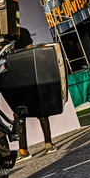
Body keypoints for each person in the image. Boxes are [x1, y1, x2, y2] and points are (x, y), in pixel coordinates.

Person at [14, 28, 57, 162]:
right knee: (18, 113)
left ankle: (48, 143)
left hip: (29, 76)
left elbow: (30, 50)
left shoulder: (23, 32)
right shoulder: (2, 37)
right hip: (15, 80)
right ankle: (23, 150)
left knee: (40, 110)